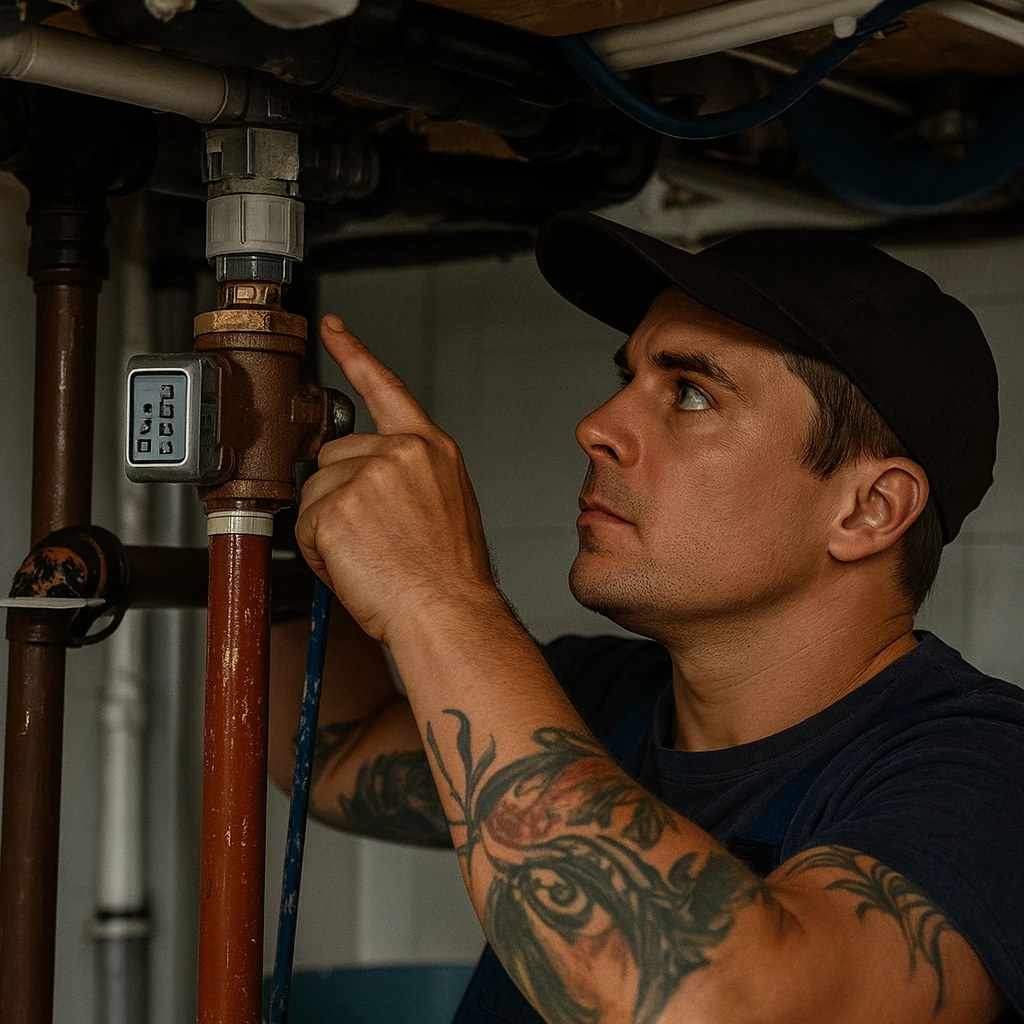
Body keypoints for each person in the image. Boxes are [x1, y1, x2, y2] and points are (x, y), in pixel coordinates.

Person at [269, 212, 1024, 1024]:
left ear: (869, 509)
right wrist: (271, 497)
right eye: (625, 375)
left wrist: (441, 598)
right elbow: (334, 753)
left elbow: (711, 1004)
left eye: (691, 393)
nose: (597, 426)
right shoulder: (592, 701)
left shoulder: (983, 774)